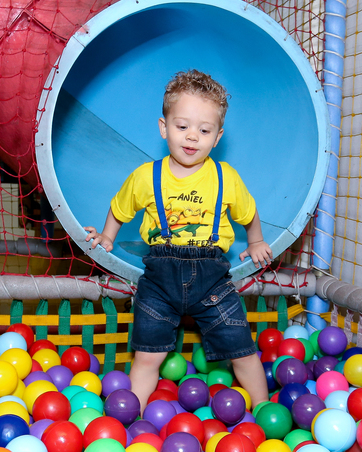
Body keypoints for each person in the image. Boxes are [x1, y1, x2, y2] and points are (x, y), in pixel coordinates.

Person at [84, 70, 272, 408]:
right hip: (159, 284)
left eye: (204, 130)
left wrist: (256, 241)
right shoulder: (146, 176)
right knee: (147, 356)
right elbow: (119, 207)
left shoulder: (225, 177)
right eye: (182, 126)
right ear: (164, 127)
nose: (192, 137)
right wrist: (108, 236)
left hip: (213, 284)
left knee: (242, 350)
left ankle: (262, 408)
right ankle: (135, 415)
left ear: (217, 137)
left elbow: (248, 213)